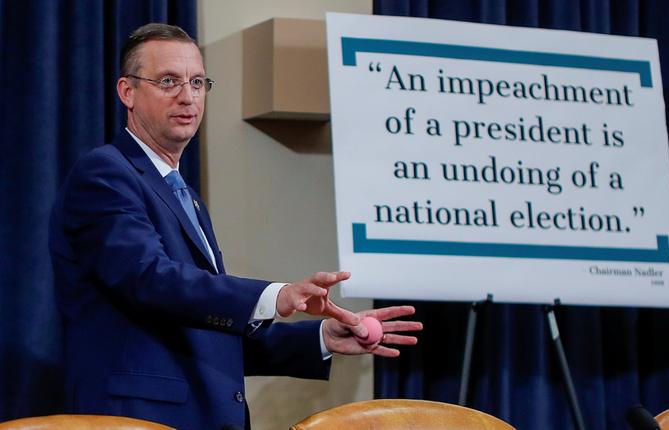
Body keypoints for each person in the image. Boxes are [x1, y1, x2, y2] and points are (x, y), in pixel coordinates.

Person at [49, 23, 421, 430]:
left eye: (197, 82)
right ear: (128, 92)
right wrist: (274, 295)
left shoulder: (184, 195)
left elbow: (209, 330)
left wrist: (320, 338)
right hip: (140, 419)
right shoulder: (105, 173)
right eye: (168, 81)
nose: (187, 97)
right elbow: (150, 279)